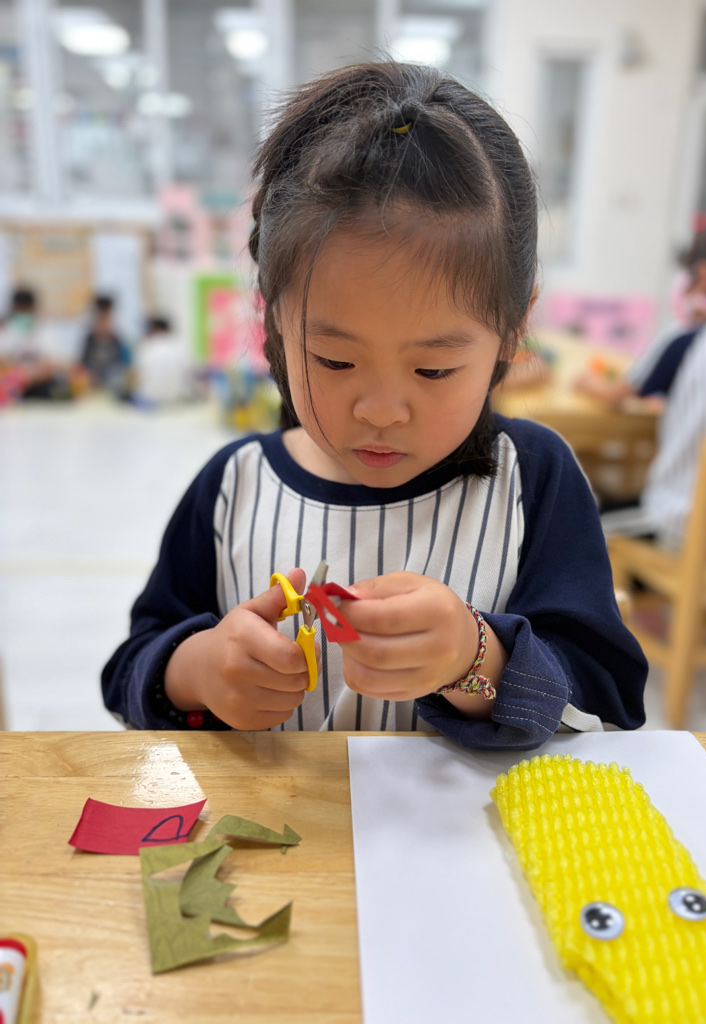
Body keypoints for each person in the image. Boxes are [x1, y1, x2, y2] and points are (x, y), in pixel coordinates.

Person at [102, 61, 646, 746]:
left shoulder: (532, 480)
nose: (382, 411)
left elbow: (607, 701)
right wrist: (197, 671)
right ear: (274, 319)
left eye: (433, 368)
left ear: (513, 331)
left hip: (473, 821)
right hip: (280, 819)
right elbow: (130, 672)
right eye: (334, 360)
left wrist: (473, 659)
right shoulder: (233, 487)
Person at [601, 220, 706, 554]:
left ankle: (634, 589)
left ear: (704, 277)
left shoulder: (687, 339)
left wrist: (584, 381)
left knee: (591, 523)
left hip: (681, 530)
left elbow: (615, 396)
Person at [79, 295, 131, 397]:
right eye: (100, 319)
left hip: (111, 382)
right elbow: (83, 363)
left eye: (107, 318)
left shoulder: (117, 340)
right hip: (91, 382)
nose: (103, 323)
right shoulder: (90, 339)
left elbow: (123, 364)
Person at [132, 316, 190, 407]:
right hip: (175, 401)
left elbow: (137, 378)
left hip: (151, 402)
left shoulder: (147, 347)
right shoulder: (180, 348)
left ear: (155, 329)